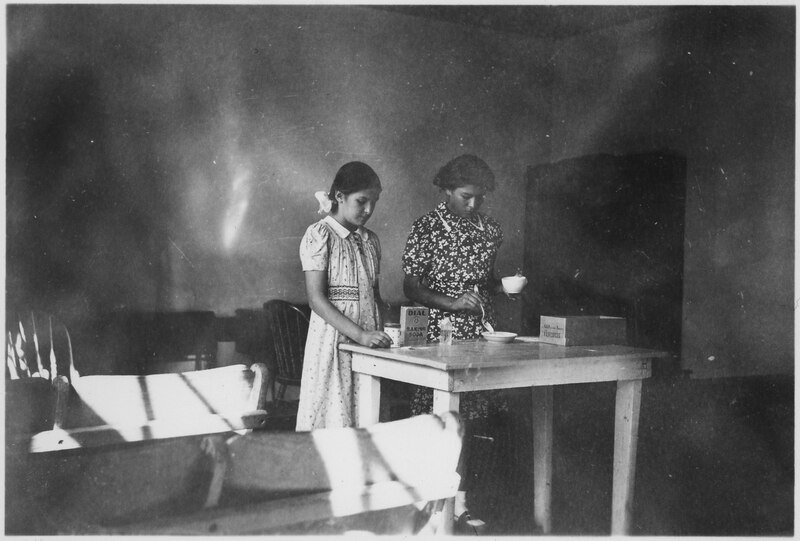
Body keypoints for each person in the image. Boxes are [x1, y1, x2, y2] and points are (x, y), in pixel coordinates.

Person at [401, 153, 513, 530]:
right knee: (438, 420)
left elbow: (487, 280)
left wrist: (505, 288)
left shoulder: (489, 228)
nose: (474, 204)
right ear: (447, 189)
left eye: (480, 197)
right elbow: (411, 286)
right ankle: (426, 505)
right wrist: (452, 302)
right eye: (466, 195)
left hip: (481, 334)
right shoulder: (427, 228)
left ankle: (459, 504)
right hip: (440, 333)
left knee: (473, 421)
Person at [295, 161, 392, 431]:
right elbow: (316, 299)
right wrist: (360, 335)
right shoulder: (319, 235)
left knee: (367, 412)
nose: (369, 210)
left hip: (369, 337)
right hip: (334, 341)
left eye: (373, 202)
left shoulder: (371, 241)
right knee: (335, 416)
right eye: (362, 201)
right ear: (339, 196)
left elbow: (374, 295)